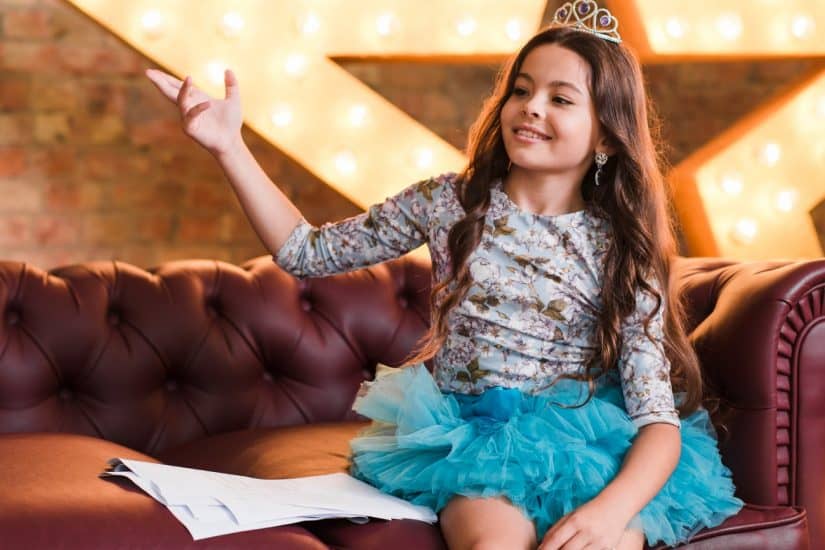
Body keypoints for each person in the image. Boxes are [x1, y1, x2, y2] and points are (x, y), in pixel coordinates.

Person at [145, 1, 743, 548]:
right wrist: (230, 147)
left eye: (561, 99)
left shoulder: (621, 249)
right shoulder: (449, 202)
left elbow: (657, 422)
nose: (531, 107)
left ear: (608, 134)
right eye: (522, 90)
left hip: (590, 446)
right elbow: (307, 251)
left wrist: (612, 510)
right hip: (476, 442)